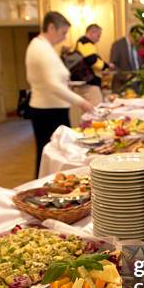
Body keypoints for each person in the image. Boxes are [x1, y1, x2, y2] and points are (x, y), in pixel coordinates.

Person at [26, 11, 93, 177]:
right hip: (47, 112)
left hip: (52, 109)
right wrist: (81, 102)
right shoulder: (40, 48)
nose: (64, 38)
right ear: (51, 27)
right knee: (51, 156)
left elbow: (54, 79)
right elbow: (52, 84)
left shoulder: (44, 47)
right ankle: (48, 192)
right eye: (63, 32)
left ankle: (55, 189)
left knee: (53, 155)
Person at [75, 24, 114, 105]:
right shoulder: (86, 42)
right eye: (98, 36)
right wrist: (107, 66)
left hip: (87, 82)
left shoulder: (83, 42)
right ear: (91, 33)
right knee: (95, 110)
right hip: (90, 83)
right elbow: (93, 61)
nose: (98, 39)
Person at [109, 26, 141, 94]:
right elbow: (113, 66)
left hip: (137, 86)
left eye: (139, 39)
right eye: (136, 39)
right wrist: (125, 76)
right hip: (122, 85)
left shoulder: (139, 46)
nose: (137, 41)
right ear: (130, 35)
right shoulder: (118, 45)